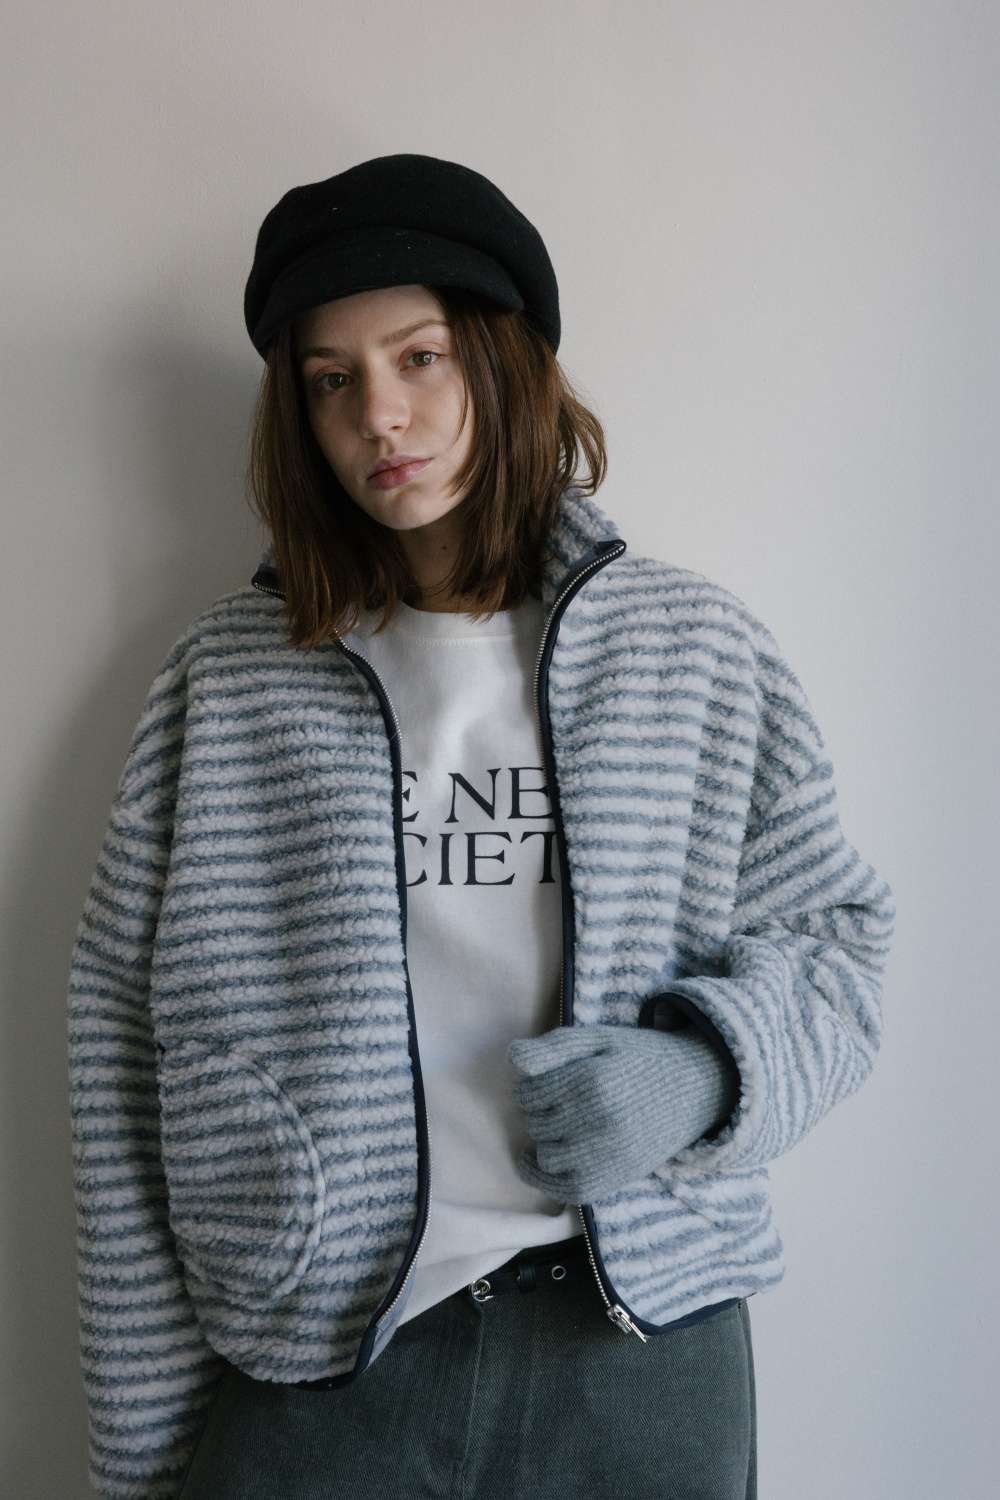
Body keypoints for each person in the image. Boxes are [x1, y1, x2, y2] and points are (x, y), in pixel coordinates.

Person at [65, 153, 897, 1500]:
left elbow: (839, 949)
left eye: (421, 357)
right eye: (330, 379)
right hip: (319, 1351)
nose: (379, 416)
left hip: (638, 1352)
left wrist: (700, 1074)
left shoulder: (693, 652)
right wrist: (140, 1441)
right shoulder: (228, 682)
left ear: (506, 362)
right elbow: (119, 1050)